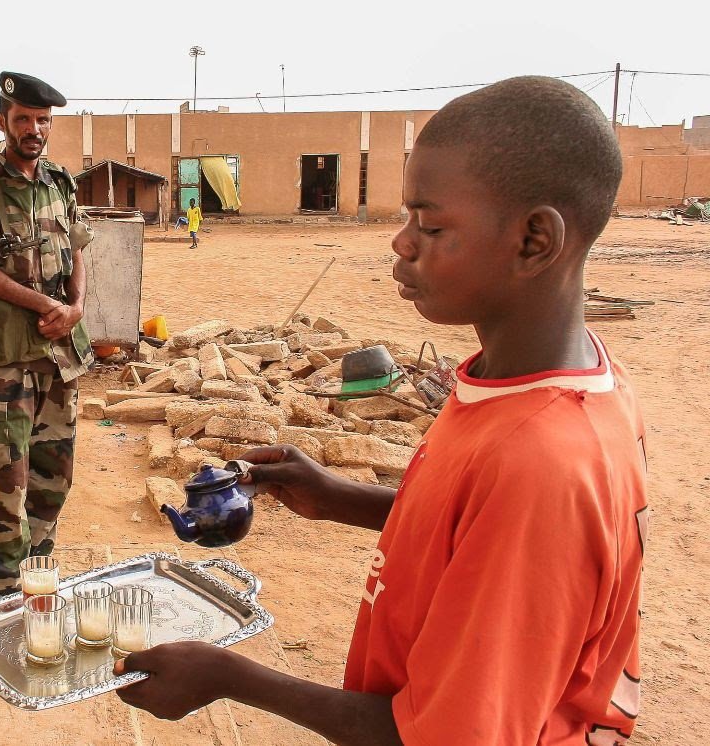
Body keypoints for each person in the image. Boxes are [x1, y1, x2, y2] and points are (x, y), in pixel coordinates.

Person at [115, 76, 647, 746]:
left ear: (534, 241)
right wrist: (339, 496)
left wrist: (230, 677)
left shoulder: (540, 461)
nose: (401, 243)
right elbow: (477, 535)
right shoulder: (553, 382)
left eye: (430, 224)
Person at [0, 71, 95, 599]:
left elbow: (77, 250)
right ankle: (3, 590)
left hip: (58, 356)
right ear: (2, 121)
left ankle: (37, 578)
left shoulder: (62, 184)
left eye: (42, 120)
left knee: (53, 476)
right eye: (23, 118)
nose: (33, 129)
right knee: (4, 480)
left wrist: (74, 306)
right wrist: (44, 304)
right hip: (4, 364)